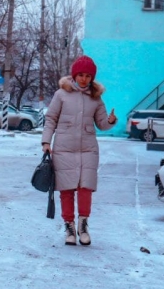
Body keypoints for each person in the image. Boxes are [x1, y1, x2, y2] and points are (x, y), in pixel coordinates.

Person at [41, 55, 117, 246]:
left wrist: (109, 121)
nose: (84, 79)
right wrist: (46, 142)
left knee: (86, 188)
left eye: (87, 75)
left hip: (88, 149)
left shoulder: (96, 98)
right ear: (74, 75)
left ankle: (83, 226)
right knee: (66, 190)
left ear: (92, 77)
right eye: (80, 75)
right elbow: (50, 119)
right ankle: (69, 227)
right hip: (64, 149)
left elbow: (101, 124)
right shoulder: (61, 94)